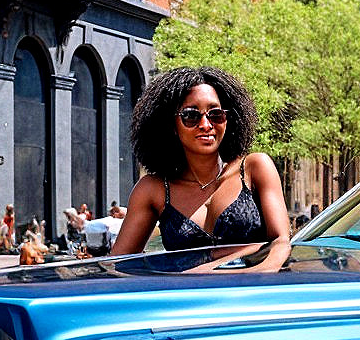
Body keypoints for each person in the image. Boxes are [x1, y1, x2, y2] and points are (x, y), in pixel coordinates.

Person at [112, 66, 291, 254]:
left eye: (215, 114)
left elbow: (281, 242)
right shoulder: (153, 189)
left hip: (255, 282)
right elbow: (118, 263)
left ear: (228, 119)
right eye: (191, 116)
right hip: (184, 284)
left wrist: (250, 272)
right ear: (172, 125)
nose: (206, 125)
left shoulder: (254, 168)